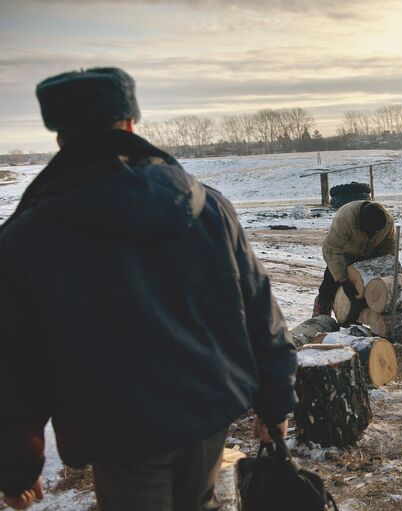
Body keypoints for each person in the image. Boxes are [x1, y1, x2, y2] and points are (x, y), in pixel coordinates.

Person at [0, 67, 298, 510]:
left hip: (120, 432)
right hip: (206, 413)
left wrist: (17, 465)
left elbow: (17, 365)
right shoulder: (208, 205)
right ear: (130, 125)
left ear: (60, 138)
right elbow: (260, 310)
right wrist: (274, 404)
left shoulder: (27, 237)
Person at [313, 200, 395, 318]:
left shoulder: (387, 221)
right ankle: (320, 315)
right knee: (329, 286)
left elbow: (388, 245)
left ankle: (355, 319)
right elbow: (331, 249)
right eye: (369, 231)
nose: (372, 233)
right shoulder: (345, 219)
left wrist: (385, 266)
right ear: (361, 223)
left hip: (370, 254)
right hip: (345, 254)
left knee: (366, 290)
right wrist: (343, 280)